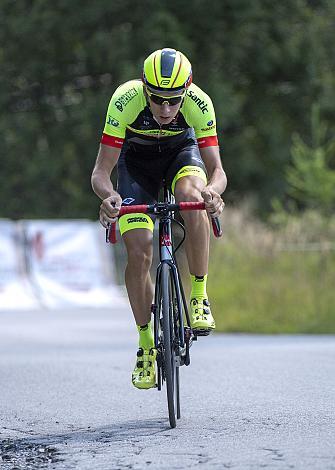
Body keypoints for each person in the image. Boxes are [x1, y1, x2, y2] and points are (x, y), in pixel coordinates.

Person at [91, 48, 227, 390]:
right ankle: (146, 345)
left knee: (193, 197)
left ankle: (198, 294)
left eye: (174, 101)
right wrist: (108, 197)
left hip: (181, 156)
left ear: (187, 92)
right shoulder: (124, 100)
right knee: (138, 251)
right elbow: (100, 173)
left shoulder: (200, 103)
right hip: (135, 165)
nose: (166, 109)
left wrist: (213, 192)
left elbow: (218, 172)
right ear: (144, 88)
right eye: (157, 100)